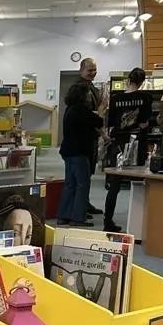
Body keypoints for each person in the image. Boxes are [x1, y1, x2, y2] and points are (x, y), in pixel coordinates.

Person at [101, 67, 155, 233]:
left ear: (128, 80)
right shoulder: (146, 97)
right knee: (139, 183)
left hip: (119, 142)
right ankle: (139, 225)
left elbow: (111, 122)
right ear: (142, 82)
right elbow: (146, 121)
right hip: (137, 142)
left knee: (114, 185)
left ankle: (107, 221)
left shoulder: (116, 99)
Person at [58, 58, 104, 226]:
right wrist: (102, 109)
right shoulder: (82, 110)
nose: (89, 97)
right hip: (79, 151)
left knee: (70, 184)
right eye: (89, 70)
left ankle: (64, 215)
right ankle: (78, 217)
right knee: (83, 183)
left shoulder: (71, 110)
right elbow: (98, 121)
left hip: (68, 151)